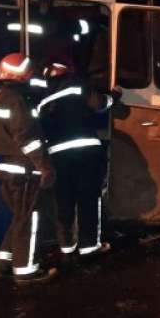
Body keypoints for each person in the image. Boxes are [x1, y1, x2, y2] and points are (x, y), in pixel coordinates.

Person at [0, 53, 57, 285]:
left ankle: (3, 265)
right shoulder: (18, 101)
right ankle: (26, 272)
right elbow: (28, 139)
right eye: (30, 74)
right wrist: (45, 166)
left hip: (9, 170)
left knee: (20, 219)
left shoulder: (1, 99)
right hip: (25, 172)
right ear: (23, 75)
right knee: (29, 221)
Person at [38, 61, 115, 263]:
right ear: (67, 73)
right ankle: (89, 247)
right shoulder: (77, 86)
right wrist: (113, 96)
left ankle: (67, 247)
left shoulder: (43, 100)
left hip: (57, 157)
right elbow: (100, 103)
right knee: (88, 199)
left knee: (64, 201)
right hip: (84, 154)